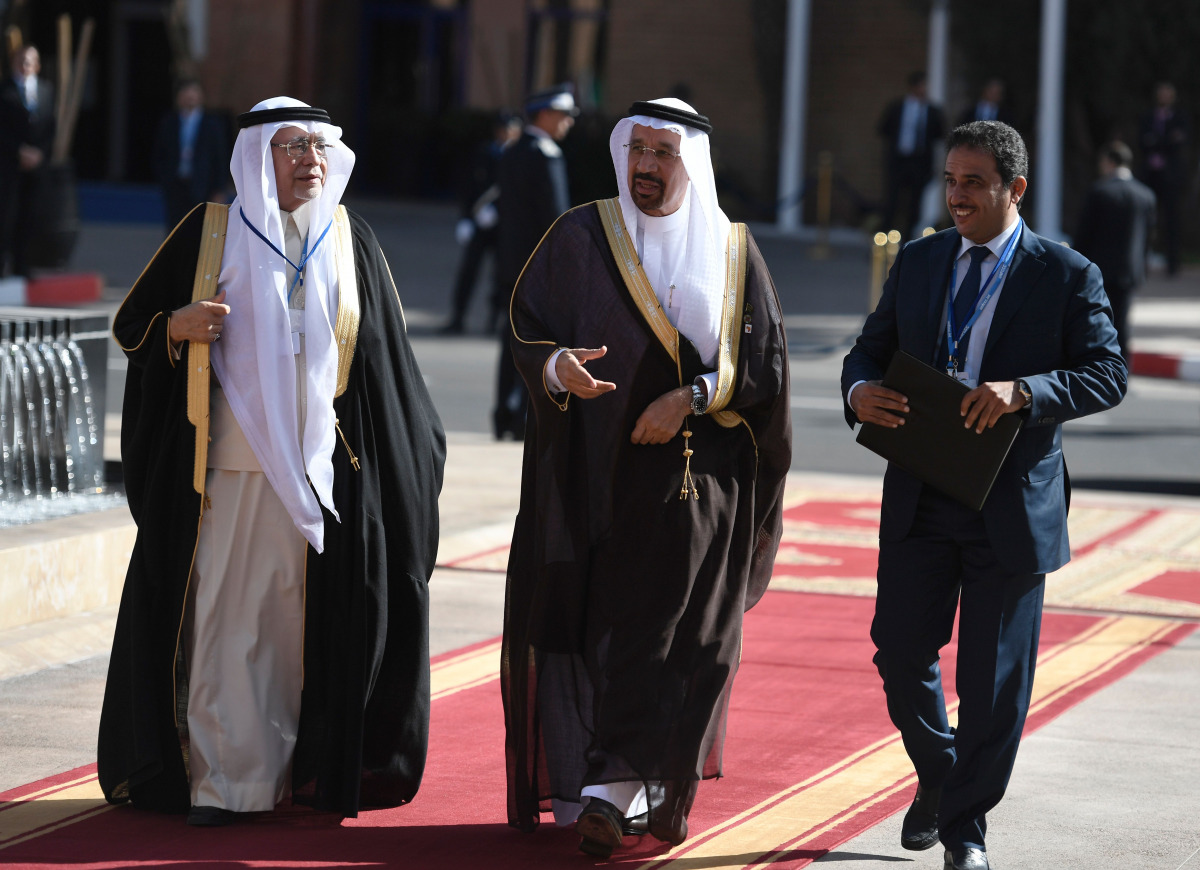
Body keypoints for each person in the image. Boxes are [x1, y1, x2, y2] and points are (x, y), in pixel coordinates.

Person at [98, 97, 445, 826]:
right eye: (293, 148)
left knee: (291, 631)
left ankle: (282, 773)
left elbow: (386, 367)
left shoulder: (352, 242)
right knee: (226, 624)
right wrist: (179, 328)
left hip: (317, 481)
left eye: (320, 148)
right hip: (226, 468)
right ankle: (224, 784)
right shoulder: (211, 232)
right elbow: (134, 324)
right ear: (259, 156)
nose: (310, 162)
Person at [501, 98, 792, 859]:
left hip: (696, 481)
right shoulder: (580, 235)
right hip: (593, 472)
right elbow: (529, 323)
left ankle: (610, 791)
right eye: (638, 151)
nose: (648, 167)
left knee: (665, 629)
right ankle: (618, 787)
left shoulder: (731, 251)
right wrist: (557, 367)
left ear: (689, 163)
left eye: (664, 153)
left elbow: (764, 370)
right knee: (602, 627)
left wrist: (690, 398)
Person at [841, 120, 1126, 870]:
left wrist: (1026, 391)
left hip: (1009, 503)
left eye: (973, 183)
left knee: (993, 686)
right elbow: (870, 348)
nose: (957, 195)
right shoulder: (921, 259)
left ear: (1015, 189)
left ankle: (966, 832)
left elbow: (1107, 374)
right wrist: (859, 389)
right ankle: (942, 775)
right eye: (950, 179)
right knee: (900, 653)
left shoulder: (1067, 273)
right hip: (920, 492)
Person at [491, 84, 576, 440]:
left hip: (509, 264)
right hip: (538, 271)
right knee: (537, 344)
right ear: (545, 115)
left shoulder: (512, 151)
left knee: (510, 339)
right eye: (564, 114)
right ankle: (524, 418)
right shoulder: (546, 155)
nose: (568, 122)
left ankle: (504, 413)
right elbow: (557, 222)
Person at [1074, 140, 1157, 363]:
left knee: (1095, 320)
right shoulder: (1145, 195)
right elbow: (1148, 238)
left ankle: (1097, 365)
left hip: (1098, 270)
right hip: (1130, 271)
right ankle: (1122, 368)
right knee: (1122, 321)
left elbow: (1084, 234)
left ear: (1109, 162)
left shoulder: (1100, 191)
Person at [440, 111, 521, 334]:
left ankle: (494, 322)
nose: (506, 134)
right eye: (503, 129)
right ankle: (458, 317)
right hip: (479, 221)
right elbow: (468, 186)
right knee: (469, 271)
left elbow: (519, 193)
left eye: (510, 129)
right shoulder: (484, 152)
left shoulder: (519, 156)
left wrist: (498, 210)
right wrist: (466, 218)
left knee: (501, 275)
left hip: (503, 225)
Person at [0, 44, 55, 277]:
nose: (25, 66)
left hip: (36, 167)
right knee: (6, 217)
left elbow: (51, 127)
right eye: (21, 61)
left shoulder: (46, 90)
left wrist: (40, 153)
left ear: (37, 65)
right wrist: (19, 151)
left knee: (29, 217)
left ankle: (22, 266)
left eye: (29, 62)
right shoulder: (4, 91)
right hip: (9, 165)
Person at [152, 79, 233, 233]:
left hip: (203, 187)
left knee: (200, 231)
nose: (190, 97)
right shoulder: (170, 122)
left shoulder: (212, 124)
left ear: (200, 96)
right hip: (176, 185)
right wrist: (165, 179)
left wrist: (220, 189)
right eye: (186, 93)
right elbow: (160, 154)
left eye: (193, 92)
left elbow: (221, 158)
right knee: (175, 230)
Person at [878, 70, 945, 240]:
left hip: (920, 163)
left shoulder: (931, 110)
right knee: (892, 201)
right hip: (899, 160)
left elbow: (939, 134)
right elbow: (883, 128)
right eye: (922, 85)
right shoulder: (897, 107)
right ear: (913, 87)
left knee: (915, 205)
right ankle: (883, 241)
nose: (924, 89)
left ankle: (907, 244)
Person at [1138, 81, 1189, 276]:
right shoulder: (1148, 116)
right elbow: (1143, 141)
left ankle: (1173, 265)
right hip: (1150, 176)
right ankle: (1142, 264)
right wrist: (1167, 140)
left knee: (1172, 221)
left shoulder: (1181, 117)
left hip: (1171, 178)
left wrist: (1157, 141)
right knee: (1146, 220)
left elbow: (1180, 142)